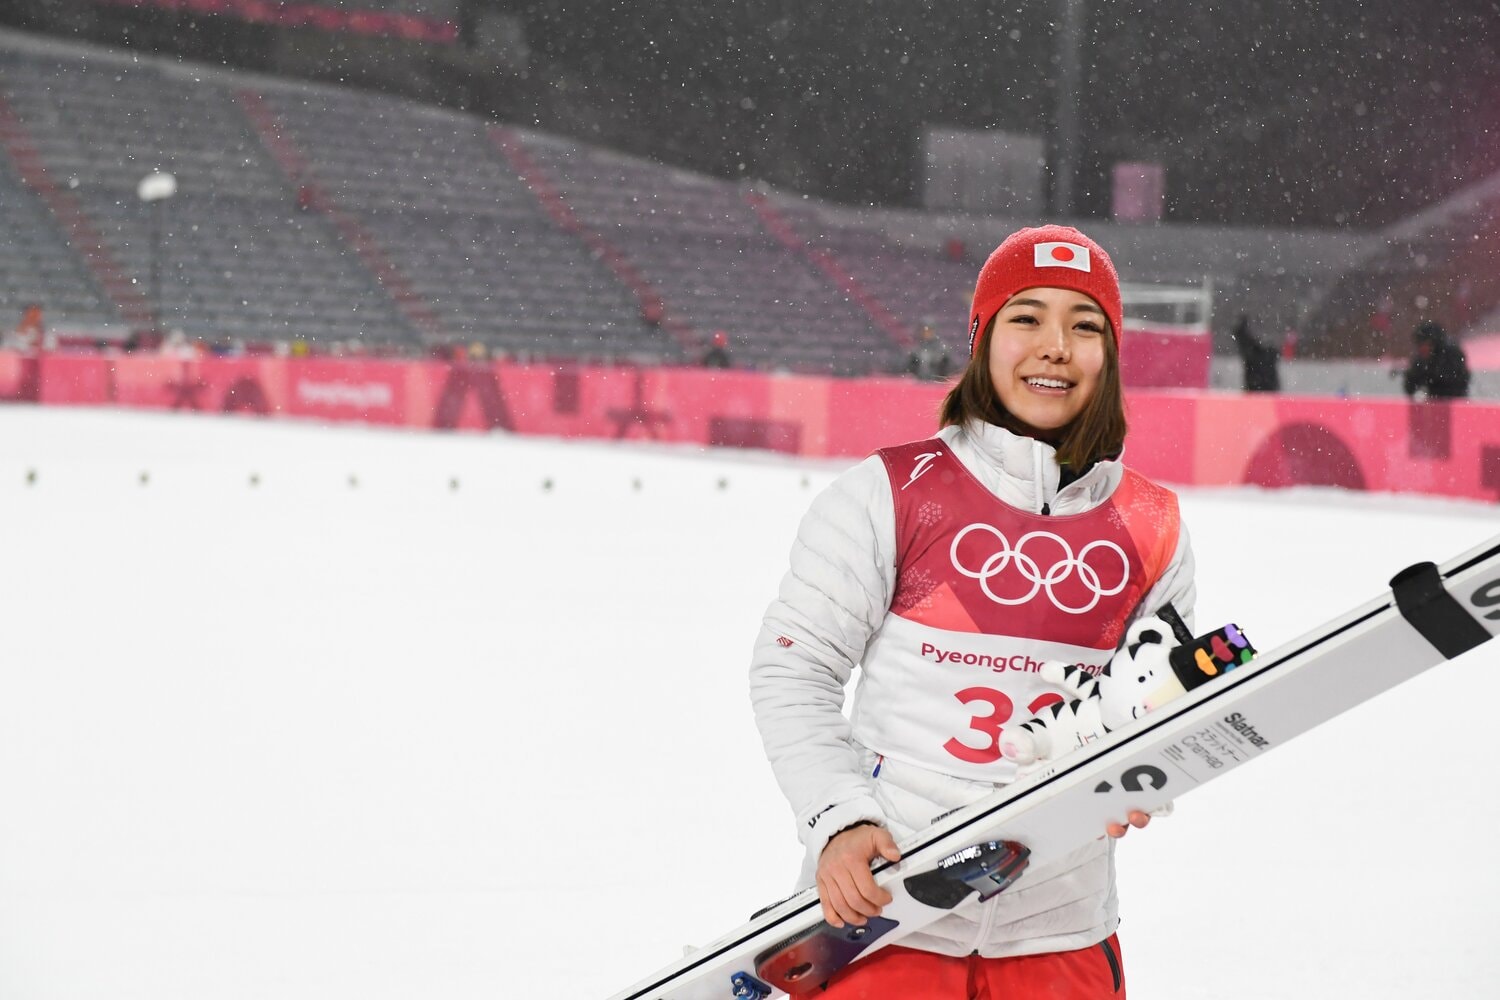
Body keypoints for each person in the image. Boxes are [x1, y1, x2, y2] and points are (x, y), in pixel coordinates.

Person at [749, 226, 1196, 999]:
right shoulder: (891, 492)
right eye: (1026, 317)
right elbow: (795, 670)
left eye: (1084, 326)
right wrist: (840, 820)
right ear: (982, 338)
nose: (1055, 347)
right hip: (885, 917)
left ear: (1111, 355)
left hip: (1062, 930)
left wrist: (1139, 774)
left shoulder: (1153, 524)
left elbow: (1156, 701)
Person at [1401, 320, 1469, 399]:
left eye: (1425, 344)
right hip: (1430, 407)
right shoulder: (1420, 361)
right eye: (1419, 344)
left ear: (1434, 343)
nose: (1421, 349)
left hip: (1453, 404)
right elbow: (1410, 387)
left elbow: (1459, 384)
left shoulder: (1452, 355)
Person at [1230, 313, 1280, 392]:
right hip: (1261, 389)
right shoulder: (1255, 352)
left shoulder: (1255, 353)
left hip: (1258, 389)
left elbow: (1243, 341)